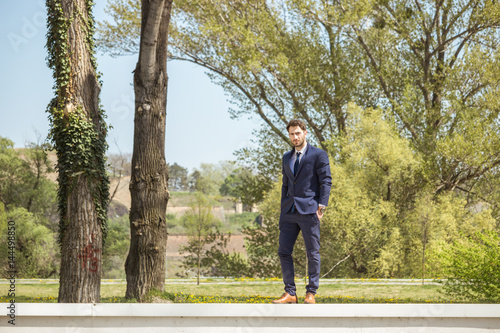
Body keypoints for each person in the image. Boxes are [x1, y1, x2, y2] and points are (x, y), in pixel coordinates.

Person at [272, 119, 332, 304]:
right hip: (289, 211)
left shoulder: (318, 155)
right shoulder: (286, 157)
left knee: (312, 252)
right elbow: (285, 184)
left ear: (305, 133)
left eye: (298, 133)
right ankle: (290, 293)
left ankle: (311, 293)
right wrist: (283, 206)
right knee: (283, 251)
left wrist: (321, 206)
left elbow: (326, 181)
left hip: (309, 211)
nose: (295, 137)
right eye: (291, 134)